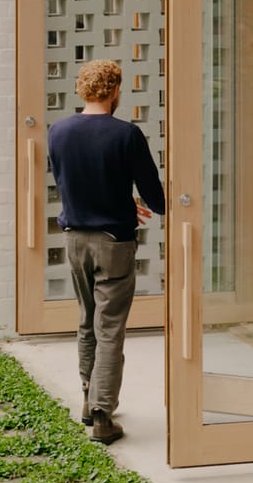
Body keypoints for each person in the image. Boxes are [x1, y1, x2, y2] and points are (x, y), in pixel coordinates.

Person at [46, 57, 165, 444]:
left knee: (87, 319)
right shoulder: (126, 135)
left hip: (75, 238)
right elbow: (155, 197)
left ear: (83, 89)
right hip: (114, 241)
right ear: (114, 90)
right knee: (110, 327)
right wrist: (135, 202)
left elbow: (73, 182)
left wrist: (119, 198)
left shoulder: (58, 131)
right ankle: (102, 414)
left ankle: (86, 398)